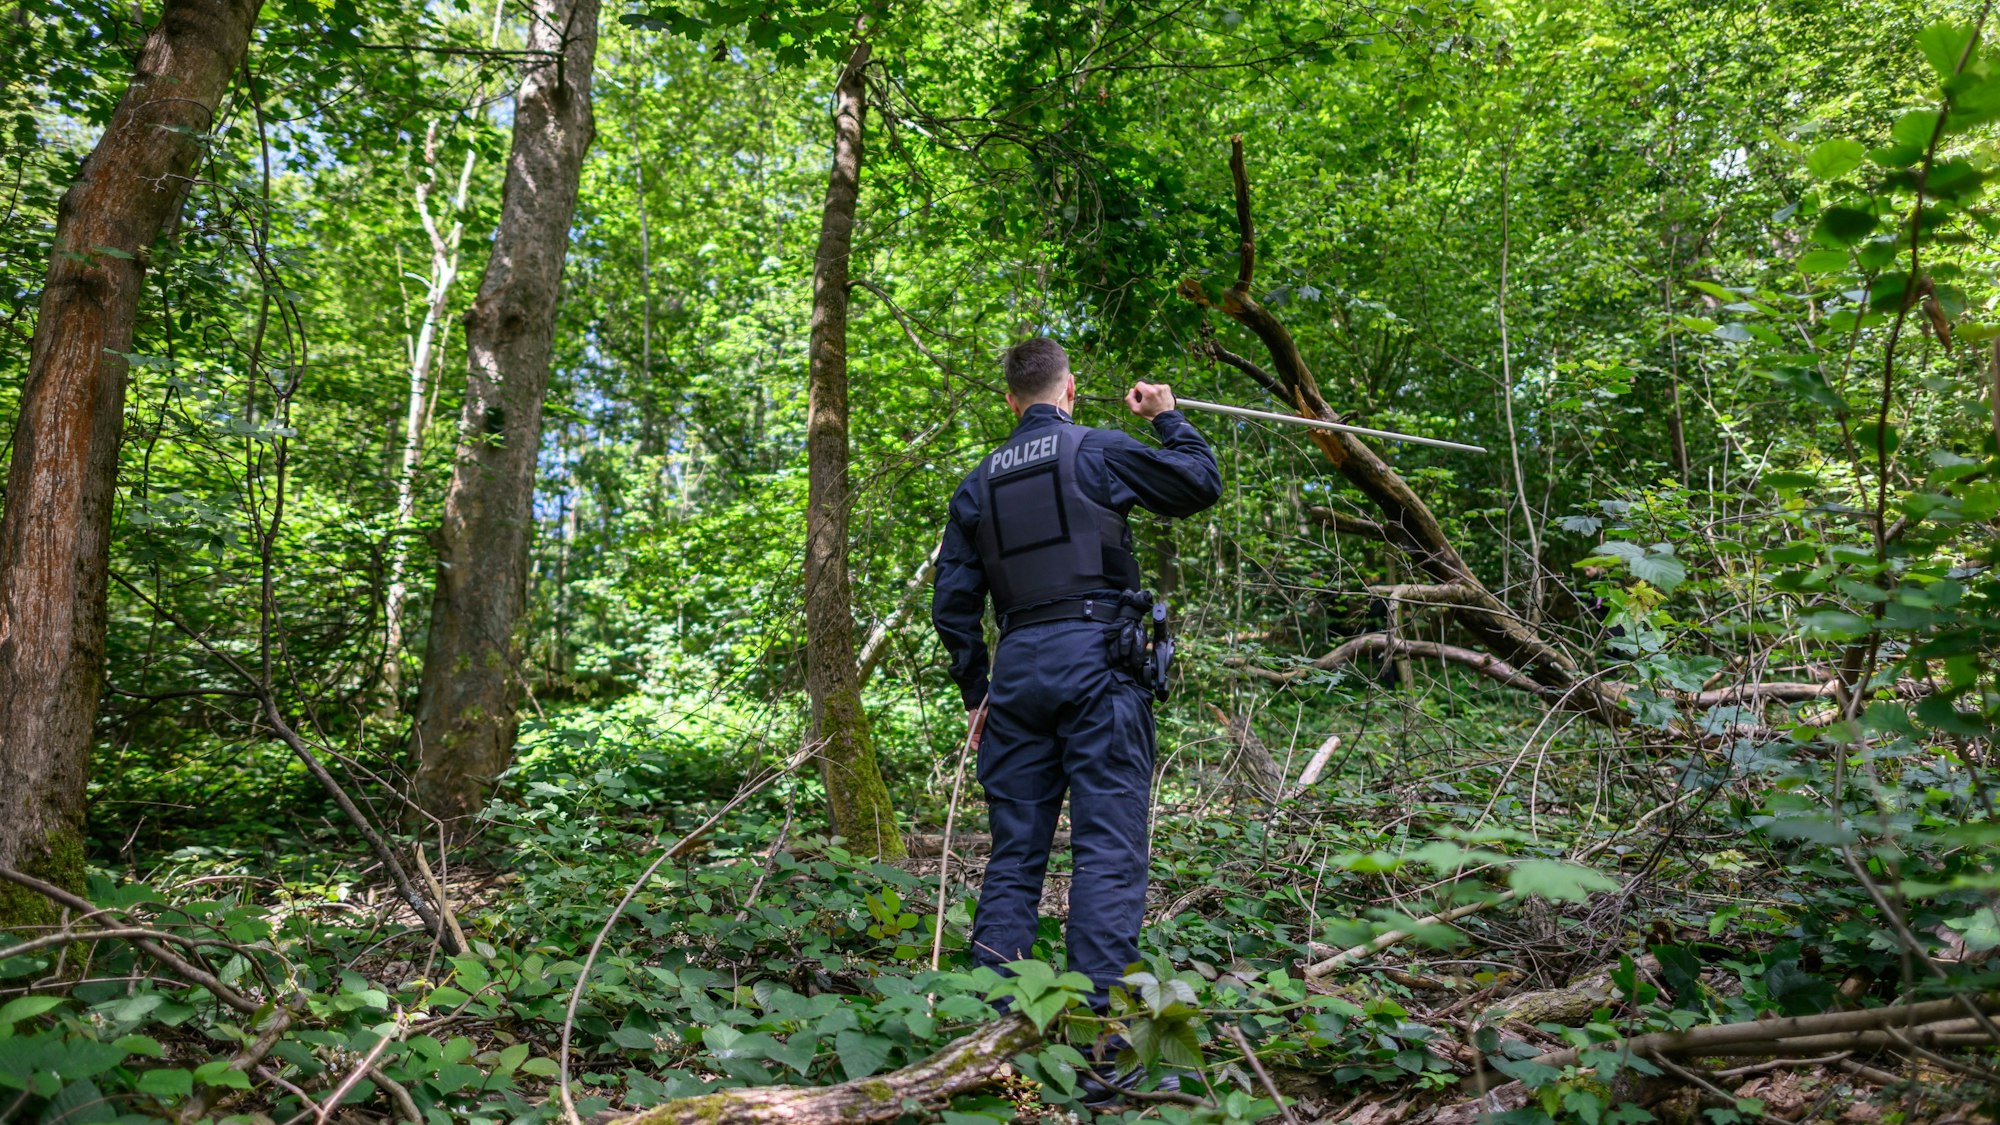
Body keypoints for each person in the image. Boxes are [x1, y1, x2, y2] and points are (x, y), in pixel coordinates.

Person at [930, 336, 1221, 1100]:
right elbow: (1197, 483)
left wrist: (977, 690)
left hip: (1018, 671)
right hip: (1099, 665)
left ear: (1010, 401)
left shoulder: (976, 484)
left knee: (1015, 855)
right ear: (1069, 392)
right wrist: (1168, 416)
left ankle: (991, 1041)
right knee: (1107, 853)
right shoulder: (1098, 449)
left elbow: (953, 606)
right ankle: (1098, 1060)